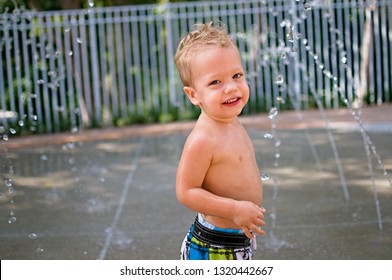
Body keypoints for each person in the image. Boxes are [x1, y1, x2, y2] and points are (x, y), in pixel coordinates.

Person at [174, 21, 266, 260]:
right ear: (194, 95)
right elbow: (185, 191)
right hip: (213, 246)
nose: (231, 88)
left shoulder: (231, 120)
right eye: (216, 82)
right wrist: (234, 209)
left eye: (237, 75)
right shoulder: (203, 138)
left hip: (235, 238)